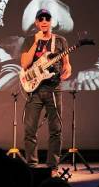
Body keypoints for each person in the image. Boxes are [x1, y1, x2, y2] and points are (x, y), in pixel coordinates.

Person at [20, 9, 71, 174]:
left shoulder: (60, 40)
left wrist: (67, 70)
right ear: (36, 22)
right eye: (40, 19)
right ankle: (31, 165)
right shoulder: (29, 40)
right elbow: (24, 64)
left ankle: (52, 166)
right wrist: (36, 42)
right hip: (34, 90)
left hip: (53, 89)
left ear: (51, 22)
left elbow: (66, 64)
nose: (44, 21)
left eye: (47, 18)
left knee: (56, 129)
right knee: (30, 130)